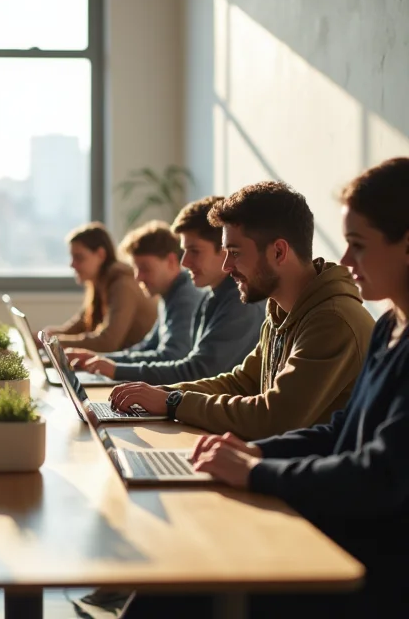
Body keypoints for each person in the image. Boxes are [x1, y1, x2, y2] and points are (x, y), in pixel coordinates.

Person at [126, 158, 409, 618]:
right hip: (327, 509)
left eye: (358, 245)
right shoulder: (386, 328)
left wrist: (255, 469)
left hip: (367, 556)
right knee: (175, 569)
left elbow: (378, 474)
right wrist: (256, 455)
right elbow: (340, 428)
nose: (346, 260)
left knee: (188, 569)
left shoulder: (337, 320)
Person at [109, 182, 374, 440]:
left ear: (279, 252)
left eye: (235, 252)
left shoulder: (332, 320)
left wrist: (173, 402)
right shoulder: (280, 313)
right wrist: (163, 394)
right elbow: (241, 383)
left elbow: (272, 418)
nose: (226, 266)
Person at [74, 197, 265, 385]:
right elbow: (153, 348)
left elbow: (198, 371)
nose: (185, 262)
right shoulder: (210, 297)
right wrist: (103, 361)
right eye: (185, 251)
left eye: (195, 251)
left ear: (225, 250)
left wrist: (115, 369)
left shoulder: (240, 302)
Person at [68, 220, 202, 376]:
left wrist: (116, 369)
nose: (138, 278)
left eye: (145, 268)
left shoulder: (185, 299)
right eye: (136, 269)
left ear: (171, 261)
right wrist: (99, 359)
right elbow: (147, 346)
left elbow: (171, 357)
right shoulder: (168, 295)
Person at [47, 222, 158, 353]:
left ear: (101, 255)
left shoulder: (122, 285)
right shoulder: (99, 284)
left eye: (79, 257)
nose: (72, 264)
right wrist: (45, 335)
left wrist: (53, 342)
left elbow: (107, 343)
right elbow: (79, 326)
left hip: (137, 363)